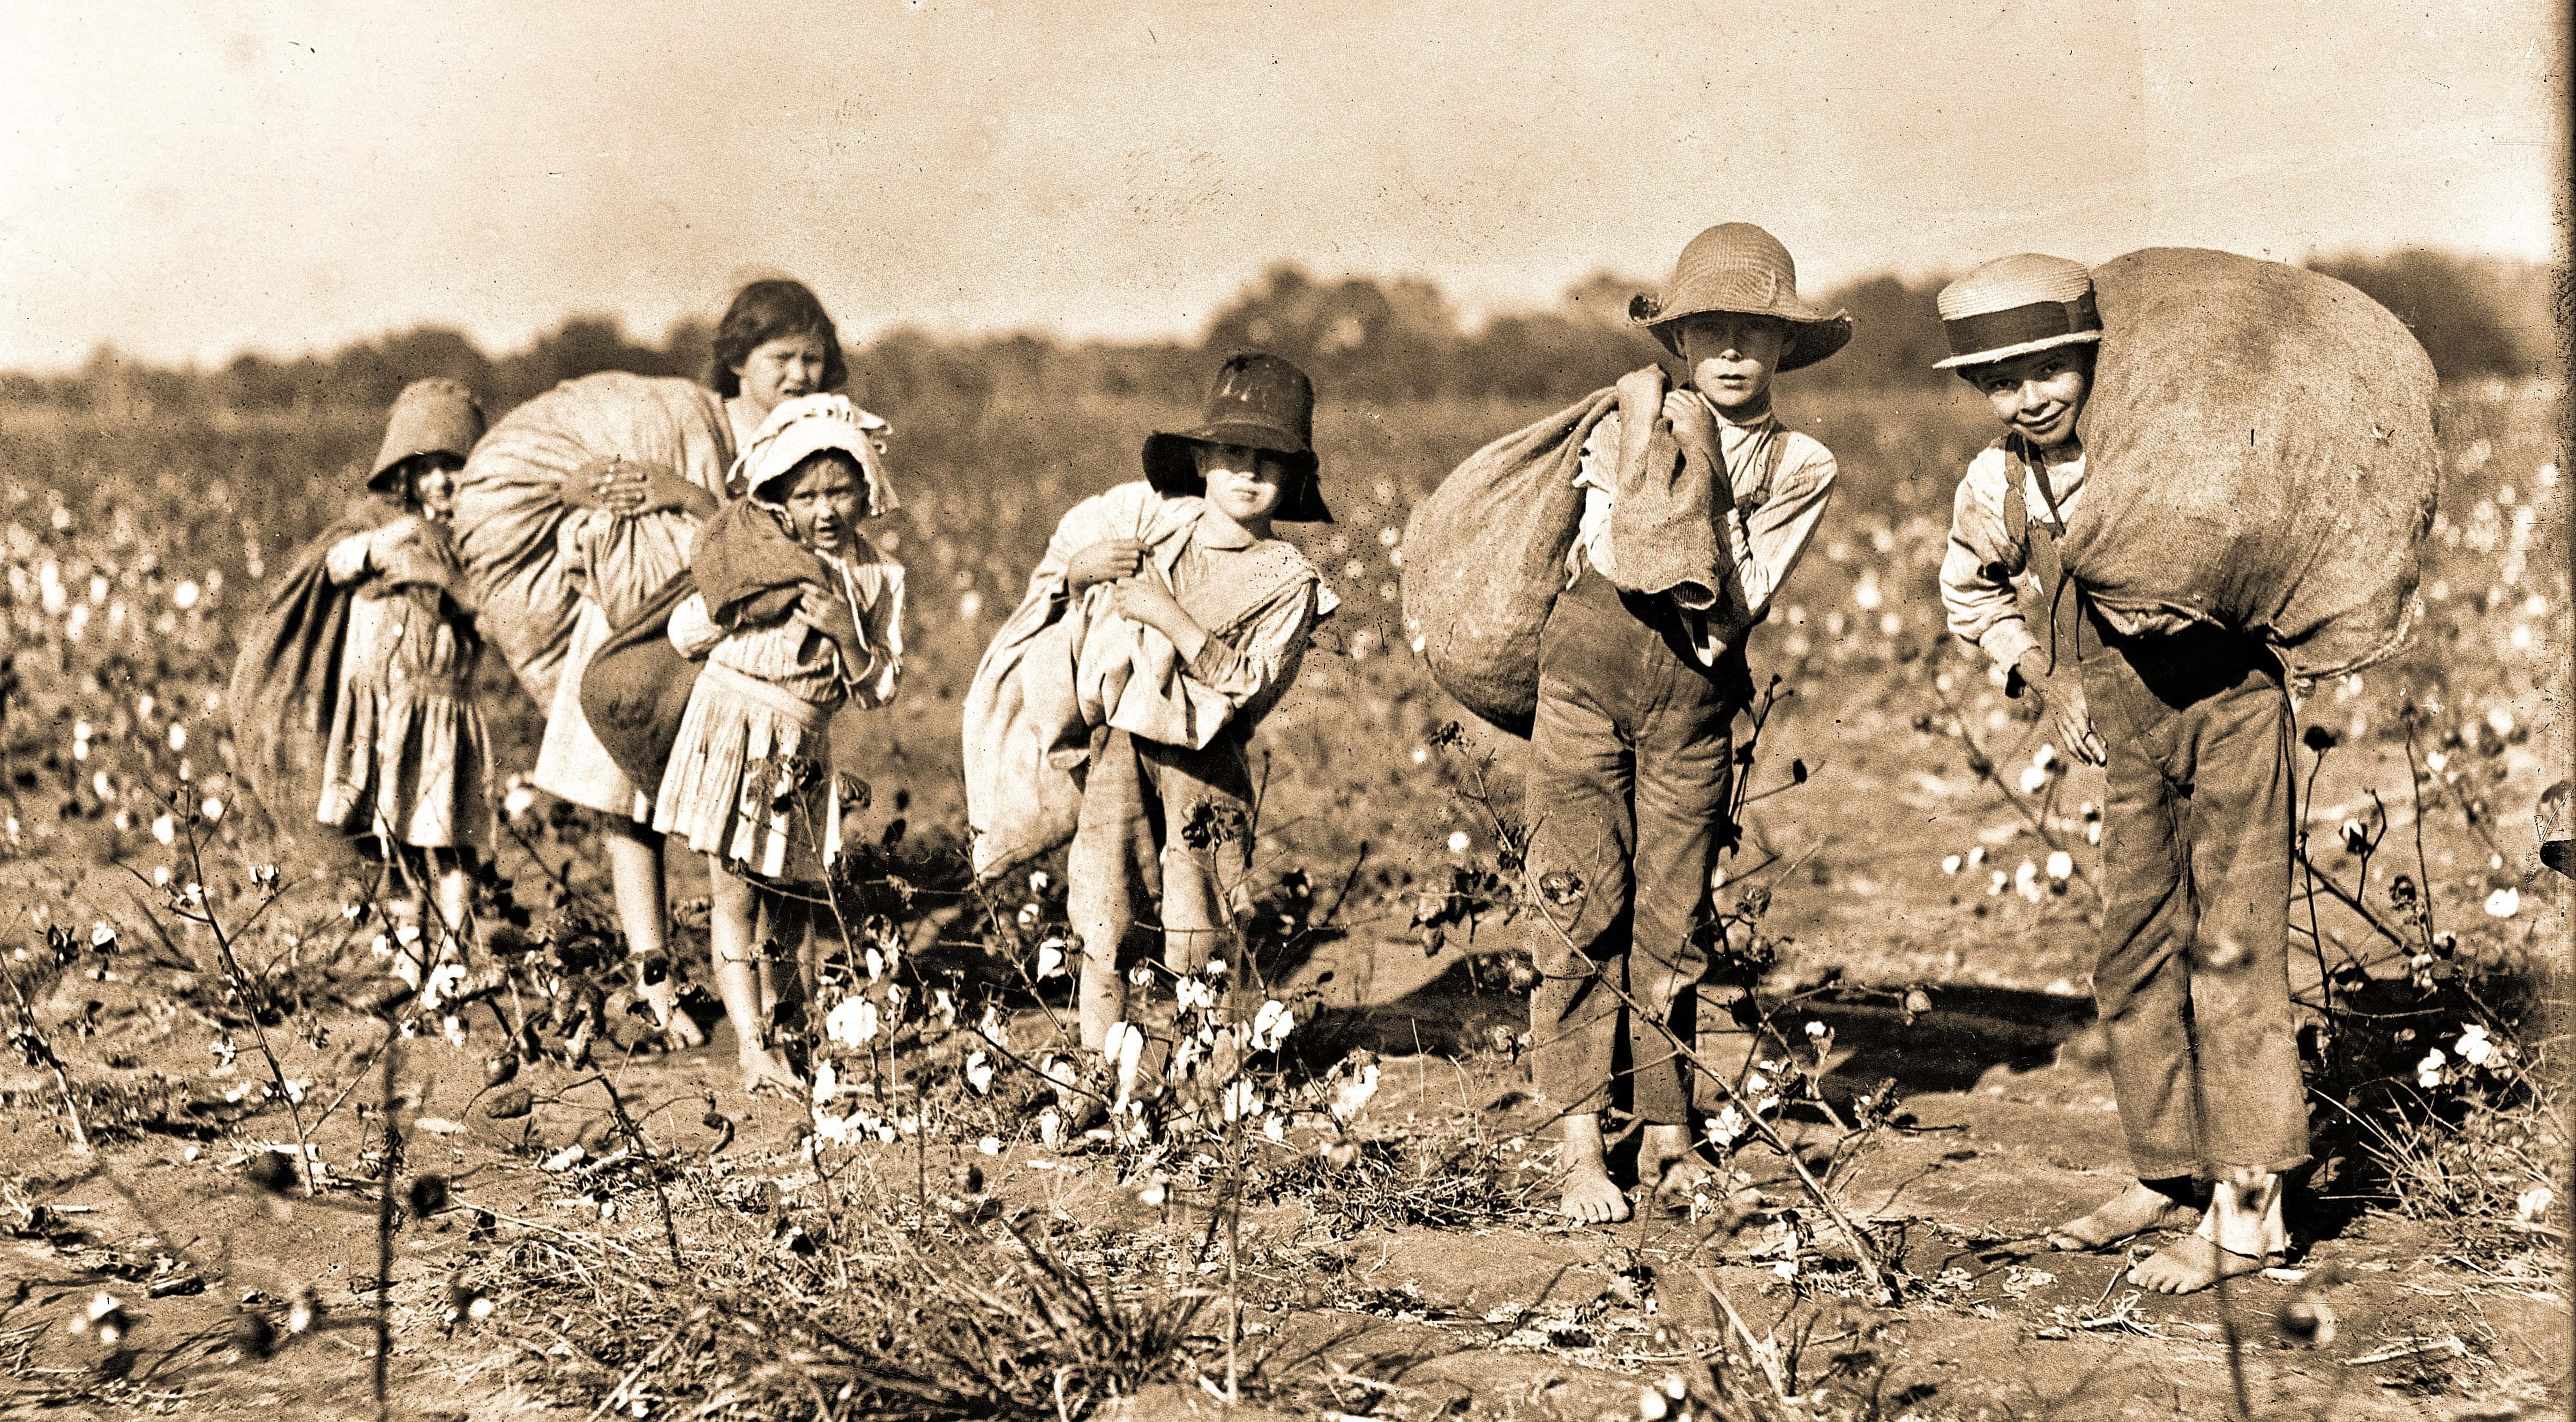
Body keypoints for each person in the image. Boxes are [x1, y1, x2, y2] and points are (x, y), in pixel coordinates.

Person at [1934, 253, 2307, 1293]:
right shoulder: (1997, 483)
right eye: (2002, 381)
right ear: (1976, 391)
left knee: (2232, 953)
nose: (2030, 396)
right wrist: (2039, 672)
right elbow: (1972, 592)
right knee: (2133, 953)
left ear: (2093, 359)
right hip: (2126, 733)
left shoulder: (2163, 450)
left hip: (2231, 712)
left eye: (2050, 369)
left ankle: (2247, 1218)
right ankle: (2168, 1169)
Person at [1525, 223, 1847, 1224]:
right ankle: (1580, 1140)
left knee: (1671, 917)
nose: (1732, 351)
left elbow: (1743, 587)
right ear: (1677, 342)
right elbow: (1613, 551)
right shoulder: (1618, 426)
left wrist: (1687, 490)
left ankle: (1666, 1132)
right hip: (1585, 675)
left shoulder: (1801, 461)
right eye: (1709, 331)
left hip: (1695, 698)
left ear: (1787, 345)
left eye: (1756, 331)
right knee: (1577, 904)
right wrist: (1660, 476)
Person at [963, 354, 1336, 1109]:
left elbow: (1250, 682)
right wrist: (1081, 575)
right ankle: (1104, 1077)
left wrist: (1173, 619)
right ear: (1201, 461)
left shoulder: (1287, 578)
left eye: (1269, 460)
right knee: (1102, 913)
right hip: (1120, 753)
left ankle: (1203, 1079)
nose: (1248, 474)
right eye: (1233, 454)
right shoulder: (1156, 532)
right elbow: (1074, 626)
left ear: (1293, 478)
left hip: (1205, 766)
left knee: (1198, 924)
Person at [550, 278, 847, 1038]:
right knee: (630, 803)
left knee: (761, 820)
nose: (800, 374)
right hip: (657, 629)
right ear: (738, 361)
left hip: (748, 654)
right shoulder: (691, 419)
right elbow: (596, 483)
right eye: (781, 356)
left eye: (814, 358)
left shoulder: (817, 437)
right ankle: (655, 981)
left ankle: (774, 998)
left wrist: (687, 495)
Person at [652, 394, 904, 1094]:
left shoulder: (879, 576)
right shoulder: (757, 556)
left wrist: (848, 635)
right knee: (735, 894)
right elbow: (684, 633)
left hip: (804, 742)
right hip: (736, 729)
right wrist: (735, 603)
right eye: (808, 494)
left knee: (793, 903)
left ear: (866, 489)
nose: (826, 509)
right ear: (778, 498)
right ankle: (751, 1048)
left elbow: (881, 686)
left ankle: (790, 1034)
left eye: (841, 490)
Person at [316, 378, 498, 959]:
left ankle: (451, 955)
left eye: (455, 466)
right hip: (380, 707)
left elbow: (496, 618)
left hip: (440, 703)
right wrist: (385, 547)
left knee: (446, 837)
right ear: (406, 475)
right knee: (388, 834)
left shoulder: (479, 544)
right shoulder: (379, 528)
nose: (442, 480)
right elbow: (336, 563)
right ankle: (406, 947)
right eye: (428, 468)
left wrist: (445, 580)